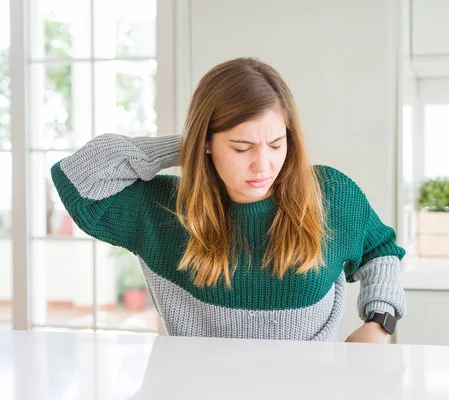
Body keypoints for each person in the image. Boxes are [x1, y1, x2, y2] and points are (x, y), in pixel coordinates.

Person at [51, 57, 406, 343]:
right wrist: (188, 146)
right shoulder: (165, 210)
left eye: (276, 144)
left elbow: (381, 252)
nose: (262, 165)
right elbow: (78, 175)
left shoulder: (331, 194)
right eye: (242, 147)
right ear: (207, 142)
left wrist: (379, 323)